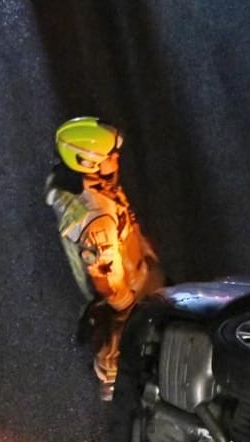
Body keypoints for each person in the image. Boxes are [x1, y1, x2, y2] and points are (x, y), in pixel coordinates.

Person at [45, 116, 165, 400]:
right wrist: (126, 309)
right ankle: (117, 386)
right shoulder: (98, 221)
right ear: (87, 164)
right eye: (109, 156)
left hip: (130, 265)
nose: (115, 158)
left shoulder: (71, 181)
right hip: (127, 288)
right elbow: (106, 279)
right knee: (119, 341)